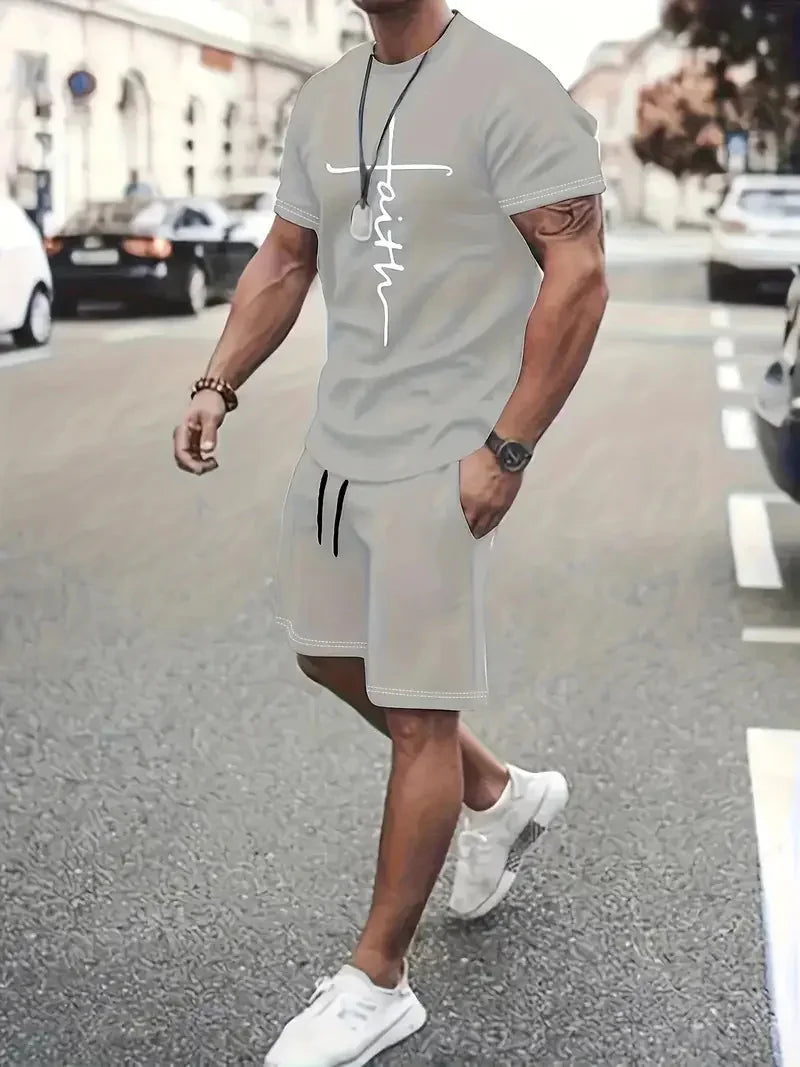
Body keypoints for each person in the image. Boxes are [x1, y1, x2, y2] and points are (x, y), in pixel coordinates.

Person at [173, 2, 608, 1063]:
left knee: (418, 710)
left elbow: (579, 272)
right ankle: (498, 795)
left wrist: (505, 446)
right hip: (337, 444)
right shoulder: (322, 96)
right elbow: (284, 257)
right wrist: (217, 381)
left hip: (444, 448)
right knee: (325, 653)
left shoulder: (511, 89)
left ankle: (377, 981)